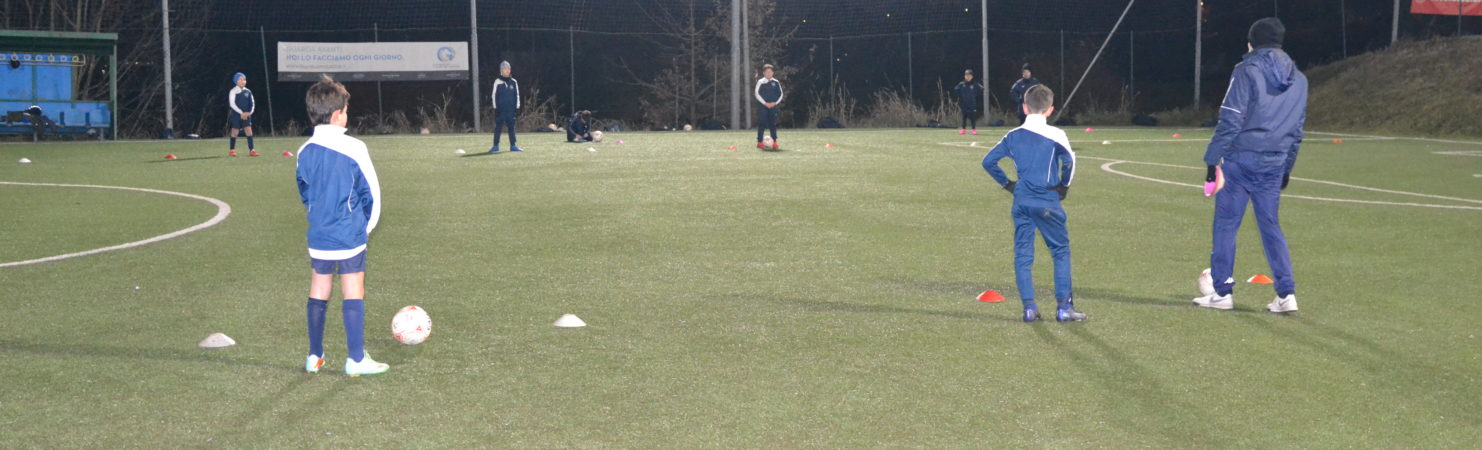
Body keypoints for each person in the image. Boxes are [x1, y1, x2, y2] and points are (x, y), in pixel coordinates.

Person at [1193, 17, 1307, 313]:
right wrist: (1287, 167)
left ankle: (1222, 292)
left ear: (1251, 43)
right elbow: (1297, 131)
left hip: (1241, 160)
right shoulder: (1299, 79)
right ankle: (1286, 294)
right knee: (1270, 225)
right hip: (1275, 162)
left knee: (1226, 224)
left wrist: (1211, 159)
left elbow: (1231, 118)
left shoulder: (1245, 70)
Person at [294, 75, 389, 377]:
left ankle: (314, 356)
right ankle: (355, 359)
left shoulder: (304, 151)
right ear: (337, 115)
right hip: (349, 232)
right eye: (346, 110)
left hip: (319, 233)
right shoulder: (354, 147)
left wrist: (318, 215)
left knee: (319, 286)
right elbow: (371, 194)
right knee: (353, 288)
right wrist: (365, 227)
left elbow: (304, 190)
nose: (347, 114)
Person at [981, 84, 1084, 323]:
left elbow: (988, 162)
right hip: (1046, 200)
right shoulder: (1056, 135)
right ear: (1050, 110)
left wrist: (1008, 184)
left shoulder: (1012, 135)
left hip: (1022, 201)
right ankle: (1064, 308)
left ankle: (1029, 308)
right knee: (1060, 251)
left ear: (1025, 107)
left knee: (1023, 254)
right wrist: (1064, 186)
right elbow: (1069, 162)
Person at [489, 61, 522, 153]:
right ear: (501, 70)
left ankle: (513, 145)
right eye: (505, 69)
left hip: (511, 110)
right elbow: (494, 96)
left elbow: (517, 95)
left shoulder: (514, 82)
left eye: (508, 69)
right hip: (501, 110)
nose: (507, 70)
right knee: (498, 128)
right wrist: (496, 108)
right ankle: (495, 146)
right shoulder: (497, 82)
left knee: (511, 128)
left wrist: (517, 108)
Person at [228, 72, 258, 157]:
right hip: (236, 114)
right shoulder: (233, 91)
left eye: (244, 79)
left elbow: (252, 104)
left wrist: (248, 113)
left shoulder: (248, 91)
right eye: (240, 79)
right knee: (235, 131)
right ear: (236, 81)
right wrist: (241, 112)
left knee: (248, 130)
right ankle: (232, 150)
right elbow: (232, 104)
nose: (242, 81)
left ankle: (252, 150)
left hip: (246, 115)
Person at [755, 64, 783, 149]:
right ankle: (759, 142)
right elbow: (757, 94)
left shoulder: (776, 82)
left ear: (773, 73)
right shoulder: (760, 82)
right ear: (764, 73)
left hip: (773, 106)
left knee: (772, 124)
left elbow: (781, 94)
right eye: (767, 72)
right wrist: (765, 103)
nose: (768, 73)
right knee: (762, 123)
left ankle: (774, 142)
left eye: (770, 72)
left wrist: (775, 103)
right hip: (763, 106)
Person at [953, 69, 984, 135]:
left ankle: (973, 129)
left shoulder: (975, 84)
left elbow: (981, 89)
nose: (968, 77)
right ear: (964, 76)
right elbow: (956, 90)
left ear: (972, 77)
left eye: (969, 76)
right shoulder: (962, 84)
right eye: (966, 75)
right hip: (964, 103)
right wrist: (961, 96)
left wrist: (975, 95)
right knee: (964, 117)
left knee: (973, 117)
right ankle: (963, 129)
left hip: (972, 104)